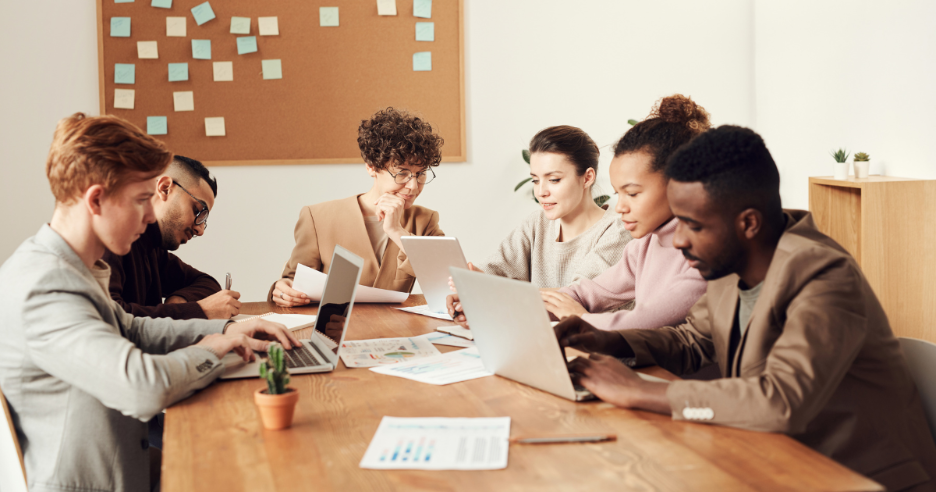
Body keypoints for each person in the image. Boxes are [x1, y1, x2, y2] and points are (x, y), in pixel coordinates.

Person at [557, 125, 936, 491]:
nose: (679, 240)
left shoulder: (824, 277)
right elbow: (693, 341)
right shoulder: (731, 267)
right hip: (777, 459)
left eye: (692, 225)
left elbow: (780, 401)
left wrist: (640, 391)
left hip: (855, 476)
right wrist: (609, 339)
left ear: (748, 223)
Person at [0, 113, 299, 492]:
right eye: (142, 200)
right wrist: (209, 349)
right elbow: (142, 388)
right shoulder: (45, 287)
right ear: (96, 200)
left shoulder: (72, 267)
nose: (148, 215)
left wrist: (226, 328)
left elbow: (133, 327)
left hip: (122, 462)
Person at [541, 95, 709, 330]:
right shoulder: (644, 245)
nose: (620, 207)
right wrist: (516, 306)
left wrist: (579, 318)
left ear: (680, 184)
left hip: (666, 368)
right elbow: (587, 293)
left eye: (632, 193)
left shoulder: (707, 253)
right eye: (618, 194)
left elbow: (642, 322)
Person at [446, 125, 632, 327]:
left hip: (593, 350)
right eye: (535, 180)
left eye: (554, 179)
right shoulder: (537, 223)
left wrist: (492, 293)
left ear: (587, 177)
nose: (541, 192)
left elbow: (578, 297)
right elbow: (495, 271)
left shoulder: (619, 230)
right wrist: (472, 287)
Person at [271, 107, 445, 306]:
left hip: (396, 330)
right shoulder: (317, 218)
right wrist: (283, 289)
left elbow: (445, 282)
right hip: (336, 328)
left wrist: (396, 231)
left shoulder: (425, 220)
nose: (413, 186)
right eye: (402, 173)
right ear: (371, 166)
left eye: (420, 174)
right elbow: (292, 280)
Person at [103, 155, 241, 320]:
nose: (200, 230)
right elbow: (112, 318)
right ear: (165, 188)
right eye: (198, 211)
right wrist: (197, 310)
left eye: (204, 219)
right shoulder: (110, 238)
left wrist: (180, 301)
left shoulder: (153, 249)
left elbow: (207, 282)